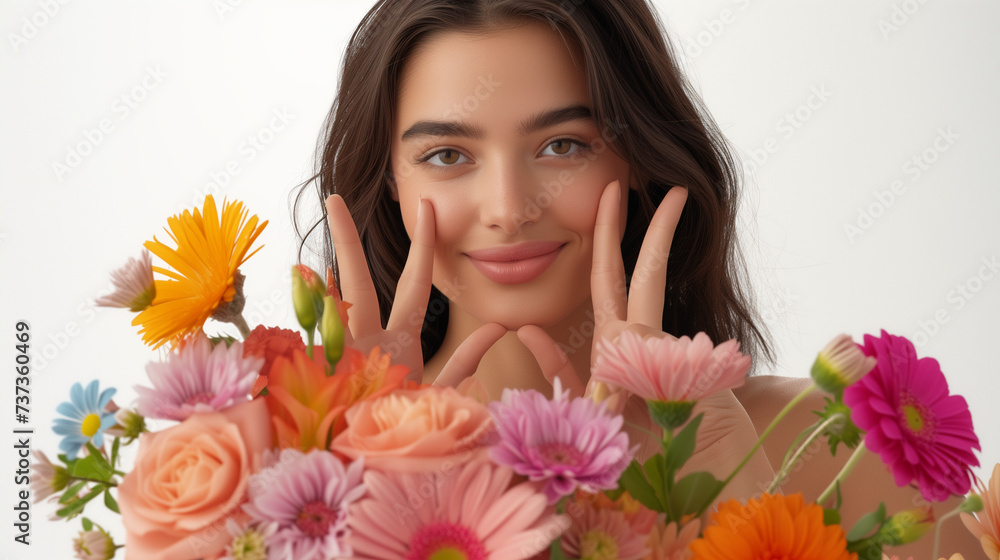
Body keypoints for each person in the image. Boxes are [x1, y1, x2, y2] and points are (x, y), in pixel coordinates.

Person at [293, 0, 981, 554]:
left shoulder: (842, 450)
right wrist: (360, 488)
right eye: (447, 155)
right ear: (388, 182)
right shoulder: (294, 470)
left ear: (640, 158)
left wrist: (750, 508)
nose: (507, 209)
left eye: (563, 146)